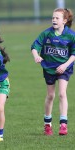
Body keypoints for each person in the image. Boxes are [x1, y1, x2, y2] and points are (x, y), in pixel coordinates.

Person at [31, 8, 75, 136]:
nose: (54, 20)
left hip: (64, 68)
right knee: (51, 95)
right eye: (53, 18)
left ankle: (63, 124)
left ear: (64, 21)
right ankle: (47, 124)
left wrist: (65, 65)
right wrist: (36, 56)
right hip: (49, 68)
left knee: (62, 94)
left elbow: (73, 54)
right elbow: (34, 47)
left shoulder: (71, 35)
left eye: (57, 18)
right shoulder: (46, 34)